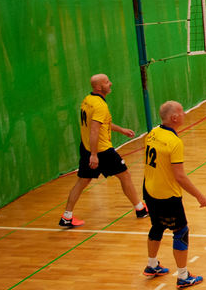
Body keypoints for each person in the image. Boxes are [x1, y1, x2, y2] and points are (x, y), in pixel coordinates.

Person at [59, 73, 149, 229]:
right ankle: (140, 209)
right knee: (125, 175)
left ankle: (67, 216)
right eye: (107, 82)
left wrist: (121, 130)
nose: (110, 83)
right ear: (99, 87)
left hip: (87, 147)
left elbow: (100, 124)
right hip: (101, 150)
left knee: (82, 181)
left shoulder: (88, 100)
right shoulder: (100, 106)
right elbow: (94, 130)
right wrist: (94, 155)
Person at [140, 100, 206, 289]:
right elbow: (179, 176)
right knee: (181, 231)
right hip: (167, 196)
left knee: (157, 226)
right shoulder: (174, 142)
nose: (184, 114)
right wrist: (199, 196)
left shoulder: (152, 133)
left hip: (149, 190)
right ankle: (183, 276)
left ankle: (152, 265)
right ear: (174, 117)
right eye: (181, 111)